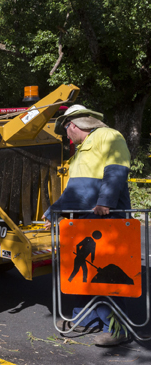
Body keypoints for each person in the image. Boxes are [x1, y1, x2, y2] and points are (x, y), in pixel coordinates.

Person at [44, 105, 131, 346]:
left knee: (106, 277)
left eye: (66, 131)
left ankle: (117, 329)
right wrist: (55, 210)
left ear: (73, 125)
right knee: (86, 276)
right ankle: (84, 317)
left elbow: (117, 169)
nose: (67, 137)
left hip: (108, 220)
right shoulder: (80, 153)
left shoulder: (108, 136)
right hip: (87, 220)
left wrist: (105, 201)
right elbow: (76, 192)